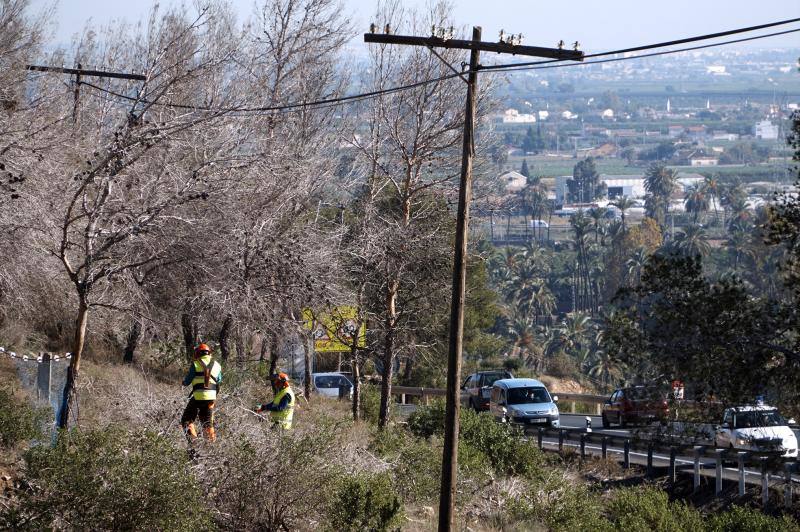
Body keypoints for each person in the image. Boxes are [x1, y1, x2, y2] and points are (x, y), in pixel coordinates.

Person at [181, 343, 222, 442]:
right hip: (211, 399)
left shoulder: (196, 364)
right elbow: (219, 381)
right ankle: (211, 444)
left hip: (198, 397)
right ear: (209, 353)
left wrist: (183, 382)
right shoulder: (217, 365)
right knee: (207, 423)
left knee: (186, 419)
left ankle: (193, 442)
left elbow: (187, 382)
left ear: (198, 353)